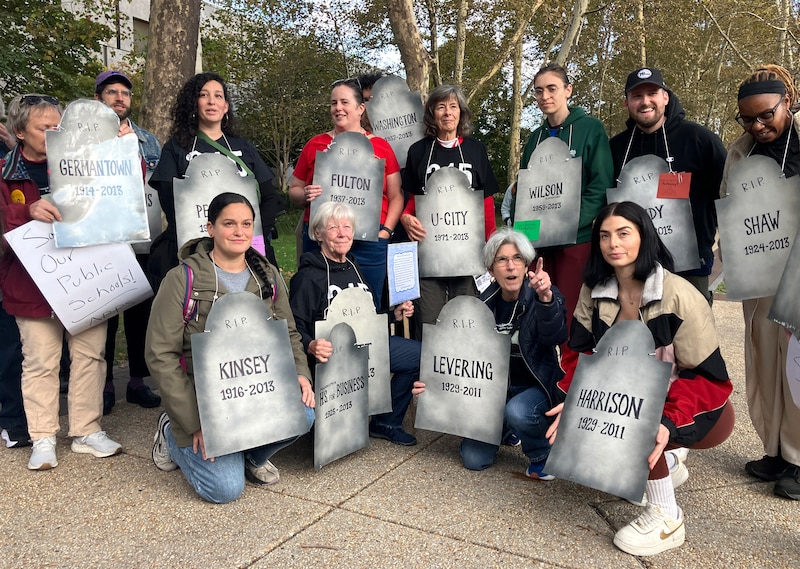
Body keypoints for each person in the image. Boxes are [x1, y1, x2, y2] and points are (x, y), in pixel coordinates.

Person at [547, 201, 733, 556]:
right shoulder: (593, 290)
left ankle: (667, 516)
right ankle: (667, 465)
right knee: (573, 418)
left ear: (644, 236)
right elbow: (577, 355)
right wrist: (576, 401)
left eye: (623, 233)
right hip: (627, 397)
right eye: (604, 236)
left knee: (636, 420)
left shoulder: (680, 296)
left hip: (692, 408)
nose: (613, 243)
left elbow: (710, 380)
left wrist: (666, 422)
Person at [145, 192, 314, 504]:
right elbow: (160, 354)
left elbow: (288, 332)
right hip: (203, 401)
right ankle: (170, 432)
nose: (239, 231)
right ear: (211, 228)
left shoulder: (267, 276)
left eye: (246, 224)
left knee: (303, 413)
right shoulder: (182, 279)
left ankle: (251, 455)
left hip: (256, 388)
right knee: (225, 489)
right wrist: (193, 422)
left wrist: (301, 373)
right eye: (229, 224)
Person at [0, 94, 123, 470]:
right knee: (40, 360)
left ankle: (87, 430)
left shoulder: (82, 165)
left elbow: (119, 199)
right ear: (20, 132)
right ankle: (42, 437)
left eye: (59, 126)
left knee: (90, 355)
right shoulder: (4, 173)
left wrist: (121, 153)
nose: (54, 133)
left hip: (86, 278)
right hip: (30, 286)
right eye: (44, 128)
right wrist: (26, 212)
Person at [411, 228, 567, 476]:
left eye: (517, 258)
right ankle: (505, 429)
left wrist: (546, 299)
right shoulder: (479, 305)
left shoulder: (543, 296)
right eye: (502, 260)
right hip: (492, 391)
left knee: (518, 411)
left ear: (526, 265)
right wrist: (433, 385)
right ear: (491, 271)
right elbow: (459, 357)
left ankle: (541, 454)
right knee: (473, 459)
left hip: (535, 386)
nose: (510, 266)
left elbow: (555, 336)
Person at [721, 64, 800, 501]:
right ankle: (775, 449)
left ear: (787, 102)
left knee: (797, 367)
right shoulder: (741, 152)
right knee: (764, 361)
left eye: (766, 115)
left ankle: (799, 457)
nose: (757, 125)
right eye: (747, 118)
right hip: (759, 273)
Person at [289, 202, 419, 445]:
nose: (342, 233)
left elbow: (368, 315)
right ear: (318, 233)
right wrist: (310, 345)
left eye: (347, 227)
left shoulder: (354, 266)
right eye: (333, 228)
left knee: (418, 356)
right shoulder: (307, 277)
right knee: (332, 442)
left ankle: (386, 422)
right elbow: (294, 327)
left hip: (368, 346)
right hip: (332, 358)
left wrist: (394, 315)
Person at [148, 72, 285, 284]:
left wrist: (250, 233)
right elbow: (170, 202)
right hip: (196, 253)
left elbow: (270, 198)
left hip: (244, 249)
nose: (212, 101)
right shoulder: (176, 148)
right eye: (204, 95)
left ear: (226, 106)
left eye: (218, 96)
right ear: (193, 103)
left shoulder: (244, 148)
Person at [609, 67, 726, 303]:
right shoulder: (615, 148)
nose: (645, 101)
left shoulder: (700, 140)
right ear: (627, 103)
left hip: (690, 265)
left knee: (693, 325)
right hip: (635, 264)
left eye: (652, 93)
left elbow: (726, 195)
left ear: (665, 97)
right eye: (637, 96)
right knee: (637, 325)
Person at [288, 78, 403, 307]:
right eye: (334, 103)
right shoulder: (315, 145)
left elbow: (396, 196)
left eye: (344, 102)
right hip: (322, 241)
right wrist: (305, 194)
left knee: (369, 305)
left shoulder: (381, 147)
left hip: (370, 242)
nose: (338, 108)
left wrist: (386, 232)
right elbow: (294, 190)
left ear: (361, 108)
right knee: (320, 305)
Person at [400, 84, 500, 337]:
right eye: (441, 107)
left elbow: (486, 203)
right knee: (429, 324)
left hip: (468, 254)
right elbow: (412, 201)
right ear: (432, 113)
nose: (447, 113)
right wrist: (405, 217)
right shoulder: (419, 151)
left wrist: (491, 249)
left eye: (453, 106)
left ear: (461, 112)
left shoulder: (476, 150)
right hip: (430, 255)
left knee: (466, 322)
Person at [519, 63, 613, 327]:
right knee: (537, 312)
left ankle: (573, 357)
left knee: (572, 314)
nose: (545, 96)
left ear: (568, 90)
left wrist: (571, 223)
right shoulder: (534, 139)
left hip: (576, 241)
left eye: (552, 89)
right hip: (539, 244)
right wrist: (524, 234)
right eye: (539, 91)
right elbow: (525, 192)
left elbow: (600, 186)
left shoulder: (591, 129)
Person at [94, 69, 162, 414]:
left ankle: (137, 382)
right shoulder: (85, 140)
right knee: (106, 316)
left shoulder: (147, 140)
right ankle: (105, 385)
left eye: (125, 93)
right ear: (98, 99)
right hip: (103, 240)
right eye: (111, 92)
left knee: (140, 315)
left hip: (143, 238)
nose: (120, 98)